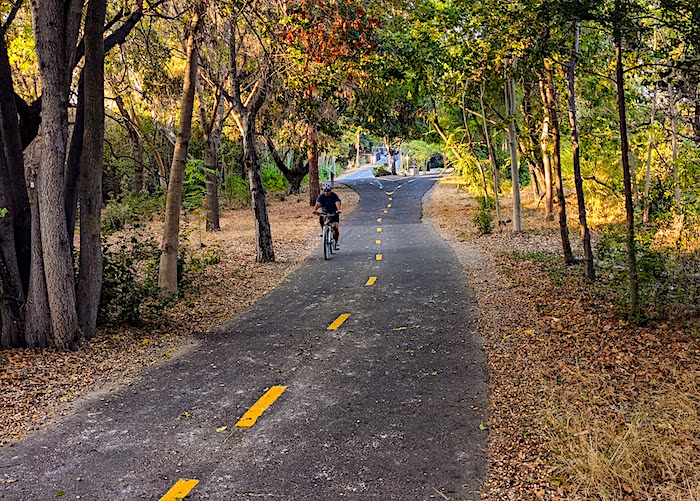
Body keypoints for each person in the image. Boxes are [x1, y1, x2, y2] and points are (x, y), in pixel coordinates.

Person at [313, 183, 342, 250]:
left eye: (328, 191)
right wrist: (315, 210)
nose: (326, 192)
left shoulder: (334, 196)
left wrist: (339, 210)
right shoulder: (321, 196)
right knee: (321, 216)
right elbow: (318, 203)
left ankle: (336, 243)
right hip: (325, 212)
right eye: (325, 191)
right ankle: (323, 230)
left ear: (330, 190)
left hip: (333, 212)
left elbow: (337, 202)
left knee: (335, 227)